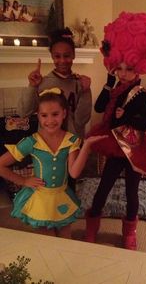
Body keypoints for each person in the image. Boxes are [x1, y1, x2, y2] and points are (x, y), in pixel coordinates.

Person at [85, 11, 146, 250]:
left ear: (140, 67)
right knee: (103, 186)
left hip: (134, 149)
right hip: (115, 145)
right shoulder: (115, 87)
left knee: (132, 192)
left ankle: (130, 233)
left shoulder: (140, 94)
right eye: (119, 68)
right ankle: (92, 227)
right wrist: (108, 84)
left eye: (129, 69)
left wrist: (127, 116)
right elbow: (99, 108)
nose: (124, 73)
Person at [0, 89, 105, 239]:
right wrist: (23, 181)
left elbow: (74, 173)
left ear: (64, 113)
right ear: (38, 115)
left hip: (61, 196)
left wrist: (86, 146)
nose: (50, 120)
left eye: (55, 114)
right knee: (47, 241)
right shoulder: (31, 142)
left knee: (65, 238)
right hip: (40, 199)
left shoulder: (71, 141)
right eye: (44, 115)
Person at [17, 28, 92, 192]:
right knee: (46, 188)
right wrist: (32, 86)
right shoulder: (42, 82)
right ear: (52, 57)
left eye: (67, 56)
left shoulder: (80, 83)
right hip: (47, 148)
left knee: (69, 188)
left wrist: (86, 91)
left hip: (71, 147)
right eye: (57, 56)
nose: (62, 60)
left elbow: (82, 119)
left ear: (73, 56)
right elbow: (23, 112)